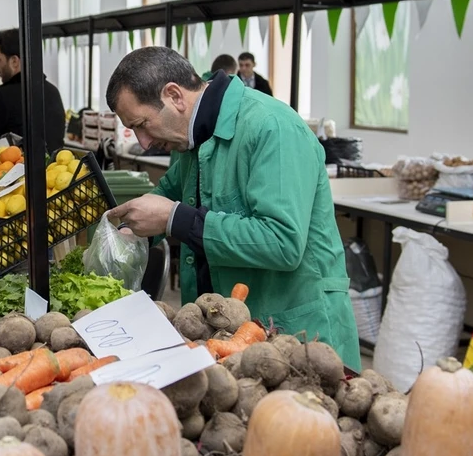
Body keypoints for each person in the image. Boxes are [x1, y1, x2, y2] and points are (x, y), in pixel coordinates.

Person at [104, 47, 359, 369]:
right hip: (229, 331)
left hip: (296, 334)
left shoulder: (272, 128)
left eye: (142, 124)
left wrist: (173, 219)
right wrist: (126, 232)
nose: (143, 142)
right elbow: (167, 194)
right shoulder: (192, 137)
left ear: (174, 96)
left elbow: (282, 242)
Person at [0, 29, 67, 154]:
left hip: (13, 172)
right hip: (55, 171)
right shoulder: (53, 92)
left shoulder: (1, 97)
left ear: (14, 61)